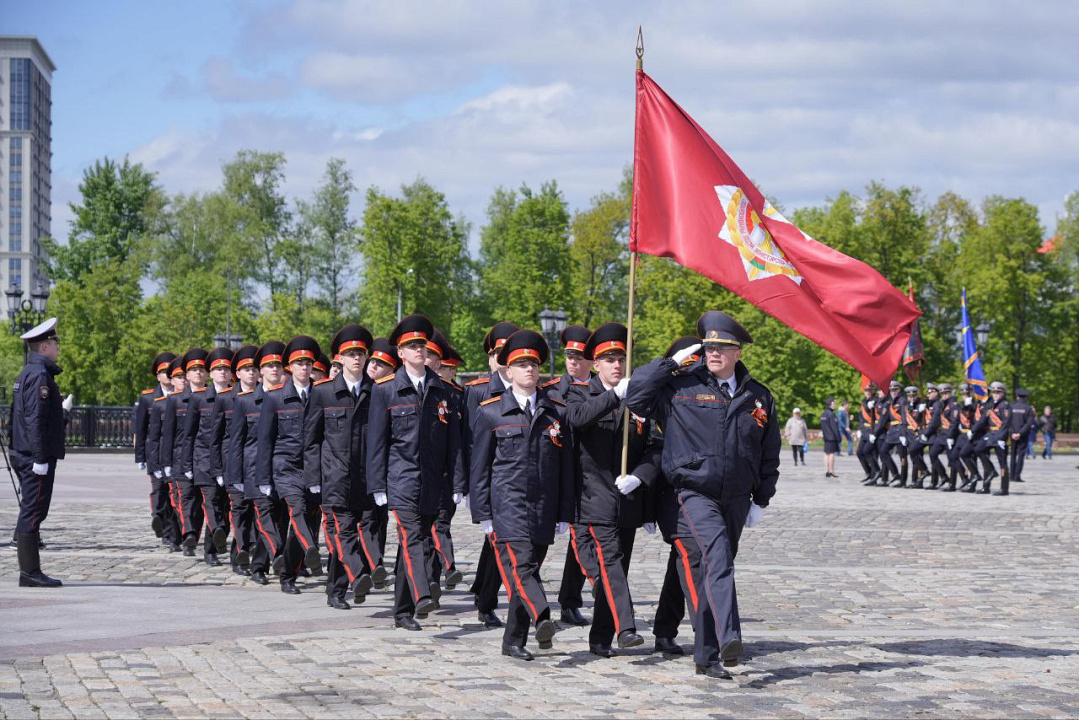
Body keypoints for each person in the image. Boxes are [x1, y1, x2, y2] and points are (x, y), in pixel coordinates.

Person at [627, 311, 780, 679]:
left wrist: (762, 499)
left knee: (716, 570)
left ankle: (707, 656)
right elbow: (635, 396)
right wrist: (668, 365)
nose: (714, 353)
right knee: (717, 558)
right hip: (695, 491)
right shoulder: (682, 387)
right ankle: (730, 637)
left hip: (737, 497)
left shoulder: (758, 396)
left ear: (738, 353)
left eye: (722, 347)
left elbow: (768, 452)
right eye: (709, 347)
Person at [470, 329, 573, 661]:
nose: (529, 369)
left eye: (534, 364)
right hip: (507, 506)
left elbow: (565, 468)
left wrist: (564, 512)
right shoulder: (491, 412)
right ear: (508, 370)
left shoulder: (555, 411)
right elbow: (480, 467)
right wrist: (483, 514)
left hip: (543, 506)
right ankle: (542, 616)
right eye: (522, 364)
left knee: (523, 574)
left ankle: (513, 640)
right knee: (523, 567)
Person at [565, 322, 660, 658]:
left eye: (621, 358)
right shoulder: (580, 392)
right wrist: (614, 396)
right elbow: (577, 418)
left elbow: (655, 445)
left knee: (615, 569)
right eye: (609, 359)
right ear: (595, 364)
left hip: (627, 496)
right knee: (611, 562)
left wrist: (640, 477)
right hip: (592, 496)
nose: (617, 365)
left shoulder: (641, 399)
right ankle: (626, 627)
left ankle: (600, 639)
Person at [366, 314, 460, 631]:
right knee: (412, 536)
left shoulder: (443, 389)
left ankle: (401, 611)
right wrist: (377, 484)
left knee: (413, 544)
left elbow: (453, 444)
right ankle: (422, 594)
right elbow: (376, 441)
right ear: (401, 353)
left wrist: (457, 482)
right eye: (412, 346)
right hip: (401, 478)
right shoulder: (386, 390)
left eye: (422, 345)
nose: (419, 350)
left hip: (433, 481)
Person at [305, 324, 376, 610]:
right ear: (341, 358)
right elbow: (311, 439)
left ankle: (336, 590)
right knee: (345, 529)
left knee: (358, 531)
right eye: (351, 354)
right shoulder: (323, 392)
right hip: (334, 475)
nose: (357, 358)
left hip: (365, 476)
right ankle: (358, 574)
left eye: (361, 353)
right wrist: (313, 478)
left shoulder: (375, 391)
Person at [258, 335, 325, 595]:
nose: (304, 367)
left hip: (313, 467)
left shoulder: (321, 394)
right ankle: (311, 548)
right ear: (290, 366)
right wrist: (264, 478)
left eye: (308, 363)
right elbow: (265, 440)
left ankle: (288, 575)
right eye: (299, 363)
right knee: (297, 509)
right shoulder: (275, 397)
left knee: (305, 520)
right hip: (285, 466)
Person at [462, 321, 519, 629]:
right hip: (490, 480)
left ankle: (483, 594)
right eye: (498, 354)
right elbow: (470, 443)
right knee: (498, 543)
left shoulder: (528, 391)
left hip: (516, 481)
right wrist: (469, 488)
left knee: (495, 543)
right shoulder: (477, 391)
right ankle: (489, 602)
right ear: (491, 358)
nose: (503, 359)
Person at [649, 336, 703, 657]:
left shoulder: (711, 395)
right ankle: (707, 631)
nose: (691, 372)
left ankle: (665, 629)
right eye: (685, 365)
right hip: (671, 490)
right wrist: (668, 365)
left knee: (682, 559)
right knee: (689, 554)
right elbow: (640, 388)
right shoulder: (663, 394)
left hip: (704, 490)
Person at [540, 323, 593, 628]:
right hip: (558, 473)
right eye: (569, 356)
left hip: (590, 474)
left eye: (579, 357)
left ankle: (570, 601)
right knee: (539, 542)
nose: (573, 361)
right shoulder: (550, 391)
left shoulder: (601, 389)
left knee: (580, 539)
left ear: (591, 360)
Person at [11, 318, 70, 587]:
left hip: (25, 452)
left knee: (32, 510)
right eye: (55, 343)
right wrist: (38, 457)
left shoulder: (28, 372)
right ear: (44, 346)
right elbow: (35, 419)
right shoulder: (39, 376)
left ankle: (30, 571)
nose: (58, 347)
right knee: (33, 512)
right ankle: (29, 573)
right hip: (34, 456)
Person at [232, 341, 287, 586]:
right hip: (255, 469)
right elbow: (236, 441)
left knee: (280, 519)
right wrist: (236, 476)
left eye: (278, 365)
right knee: (265, 517)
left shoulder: (289, 398)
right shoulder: (246, 401)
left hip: (283, 468)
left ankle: (263, 565)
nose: (274, 369)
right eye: (269, 365)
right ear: (260, 371)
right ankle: (276, 559)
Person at [181, 346, 233, 566]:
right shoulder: (199, 398)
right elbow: (189, 434)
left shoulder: (236, 397)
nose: (222, 372)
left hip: (228, 460)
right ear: (210, 373)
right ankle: (213, 544)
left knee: (225, 505)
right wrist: (187, 464)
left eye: (226, 369)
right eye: (218, 369)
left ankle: (216, 541)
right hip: (203, 459)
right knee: (211, 501)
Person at [214, 345, 259, 575]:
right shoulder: (225, 398)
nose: (251, 373)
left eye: (254, 369)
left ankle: (253, 555)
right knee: (240, 511)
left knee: (256, 513)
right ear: (237, 374)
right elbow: (216, 438)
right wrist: (218, 469)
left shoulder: (266, 396)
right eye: (246, 369)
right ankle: (240, 559)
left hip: (257, 465)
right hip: (232, 464)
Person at [135, 352, 176, 542]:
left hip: (175, 453)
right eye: (163, 372)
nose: (168, 375)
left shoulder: (182, 395)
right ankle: (158, 517)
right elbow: (141, 429)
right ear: (158, 376)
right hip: (155, 452)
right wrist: (140, 457)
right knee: (159, 489)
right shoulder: (148, 398)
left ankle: (170, 532)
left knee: (173, 493)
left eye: (170, 372)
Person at [1008, 388, 1035, 485]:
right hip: (1023, 436)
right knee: (1021, 455)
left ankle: (1011, 476)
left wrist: (1013, 433)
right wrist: (1020, 433)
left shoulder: (1011, 407)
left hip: (1012, 434)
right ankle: (1017, 476)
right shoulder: (1028, 408)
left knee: (1013, 455)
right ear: (1025, 397)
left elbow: (1008, 421)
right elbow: (1029, 423)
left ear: (1017, 396)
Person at [856, 384, 881, 484]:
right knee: (859, 452)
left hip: (872, 430)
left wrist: (874, 432)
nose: (868, 392)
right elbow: (861, 417)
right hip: (864, 430)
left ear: (873, 391)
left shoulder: (876, 401)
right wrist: (859, 429)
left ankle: (876, 473)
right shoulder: (863, 401)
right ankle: (869, 473)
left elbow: (878, 418)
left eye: (870, 390)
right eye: (866, 390)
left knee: (871, 453)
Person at [820, 398, 840, 478]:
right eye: (834, 403)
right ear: (830, 404)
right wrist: (838, 437)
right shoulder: (831, 414)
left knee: (826, 453)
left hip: (826, 437)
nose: (835, 405)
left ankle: (827, 470)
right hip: (832, 437)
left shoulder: (823, 414)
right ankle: (831, 470)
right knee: (831, 454)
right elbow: (834, 427)